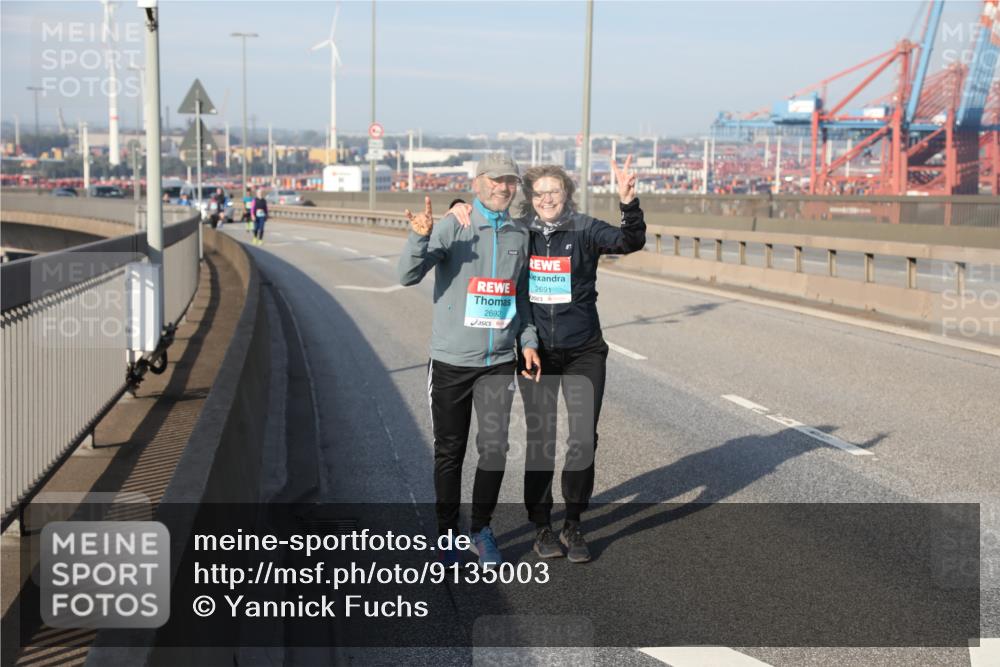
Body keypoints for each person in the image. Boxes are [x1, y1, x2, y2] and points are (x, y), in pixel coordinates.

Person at [450, 157, 646, 563]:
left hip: (584, 350)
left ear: (566, 195)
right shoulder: (523, 233)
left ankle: (573, 524)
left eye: (554, 192)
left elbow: (629, 242)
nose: (546, 199)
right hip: (536, 351)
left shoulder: (586, 229)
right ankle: (541, 526)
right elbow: (488, 229)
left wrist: (628, 202)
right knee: (540, 442)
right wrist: (458, 204)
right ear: (530, 198)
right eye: (539, 193)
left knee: (582, 440)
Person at [398, 153, 541, 565]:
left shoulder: (519, 234)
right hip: (451, 361)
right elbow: (407, 275)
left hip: (497, 360)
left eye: (510, 181)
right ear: (476, 183)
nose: (503, 187)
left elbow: (520, 297)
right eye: (495, 180)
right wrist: (419, 237)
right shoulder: (453, 224)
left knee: (494, 449)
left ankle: (481, 529)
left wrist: (527, 340)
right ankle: (447, 534)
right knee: (450, 451)